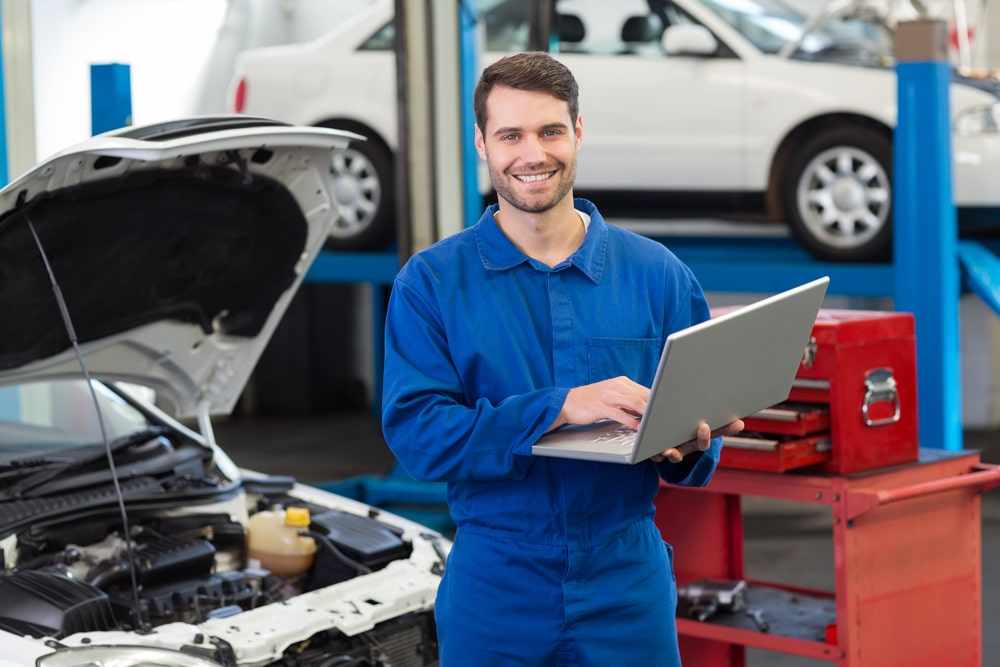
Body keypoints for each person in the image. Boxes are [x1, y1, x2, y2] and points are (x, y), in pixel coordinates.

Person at [381, 51, 744, 666]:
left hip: (625, 578)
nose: (532, 154)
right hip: (497, 584)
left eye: (550, 131)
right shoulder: (432, 283)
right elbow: (420, 438)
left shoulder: (657, 275)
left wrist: (691, 441)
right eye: (510, 135)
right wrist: (560, 408)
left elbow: (695, 439)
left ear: (578, 131)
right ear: (482, 143)